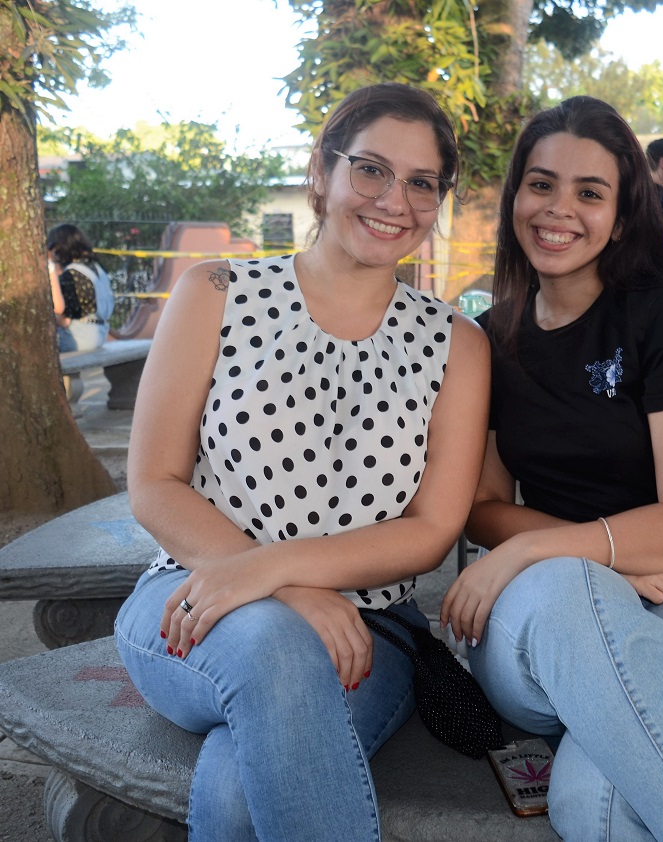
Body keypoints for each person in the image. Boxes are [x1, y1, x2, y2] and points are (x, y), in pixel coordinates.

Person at [114, 83, 490, 840]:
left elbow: (432, 528)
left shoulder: (456, 343)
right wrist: (282, 589)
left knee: (234, 792)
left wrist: (276, 572)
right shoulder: (217, 293)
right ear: (321, 170)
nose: (395, 199)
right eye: (372, 169)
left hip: (370, 633)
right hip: (191, 606)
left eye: (422, 183)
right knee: (273, 655)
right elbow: (154, 484)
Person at [441, 96, 663, 841]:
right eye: (541, 184)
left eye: (589, 192)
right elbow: (481, 504)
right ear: (515, 194)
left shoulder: (661, 314)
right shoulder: (484, 339)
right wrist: (592, 562)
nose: (559, 210)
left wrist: (549, 543)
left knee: (595, 800)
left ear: (622, 210)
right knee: (570, 591)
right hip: (546, 612)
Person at [46, 223, 115, 352]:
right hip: (100, 334)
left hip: (79, 338)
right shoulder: (98, 269)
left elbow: (64, 321)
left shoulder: (71, 274)